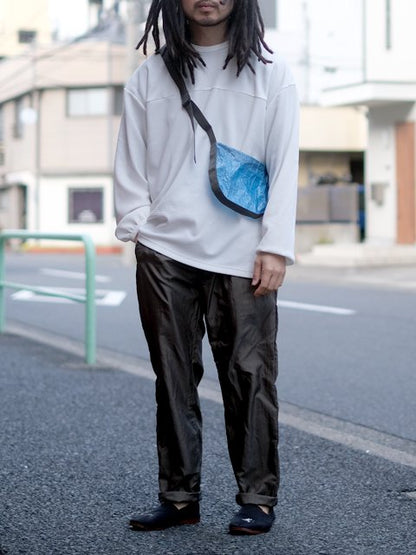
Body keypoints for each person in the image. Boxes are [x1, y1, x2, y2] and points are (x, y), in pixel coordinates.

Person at [114, 0, 299, 536]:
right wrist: (140, 225)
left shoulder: (270, 72)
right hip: (165, 251)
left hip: (244, 251)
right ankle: (178, 497)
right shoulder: (150, 75)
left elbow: (285, 163)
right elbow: (131, 159)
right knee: (172, 377)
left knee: (250, 376)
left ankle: (257, 498)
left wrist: (276, 246)